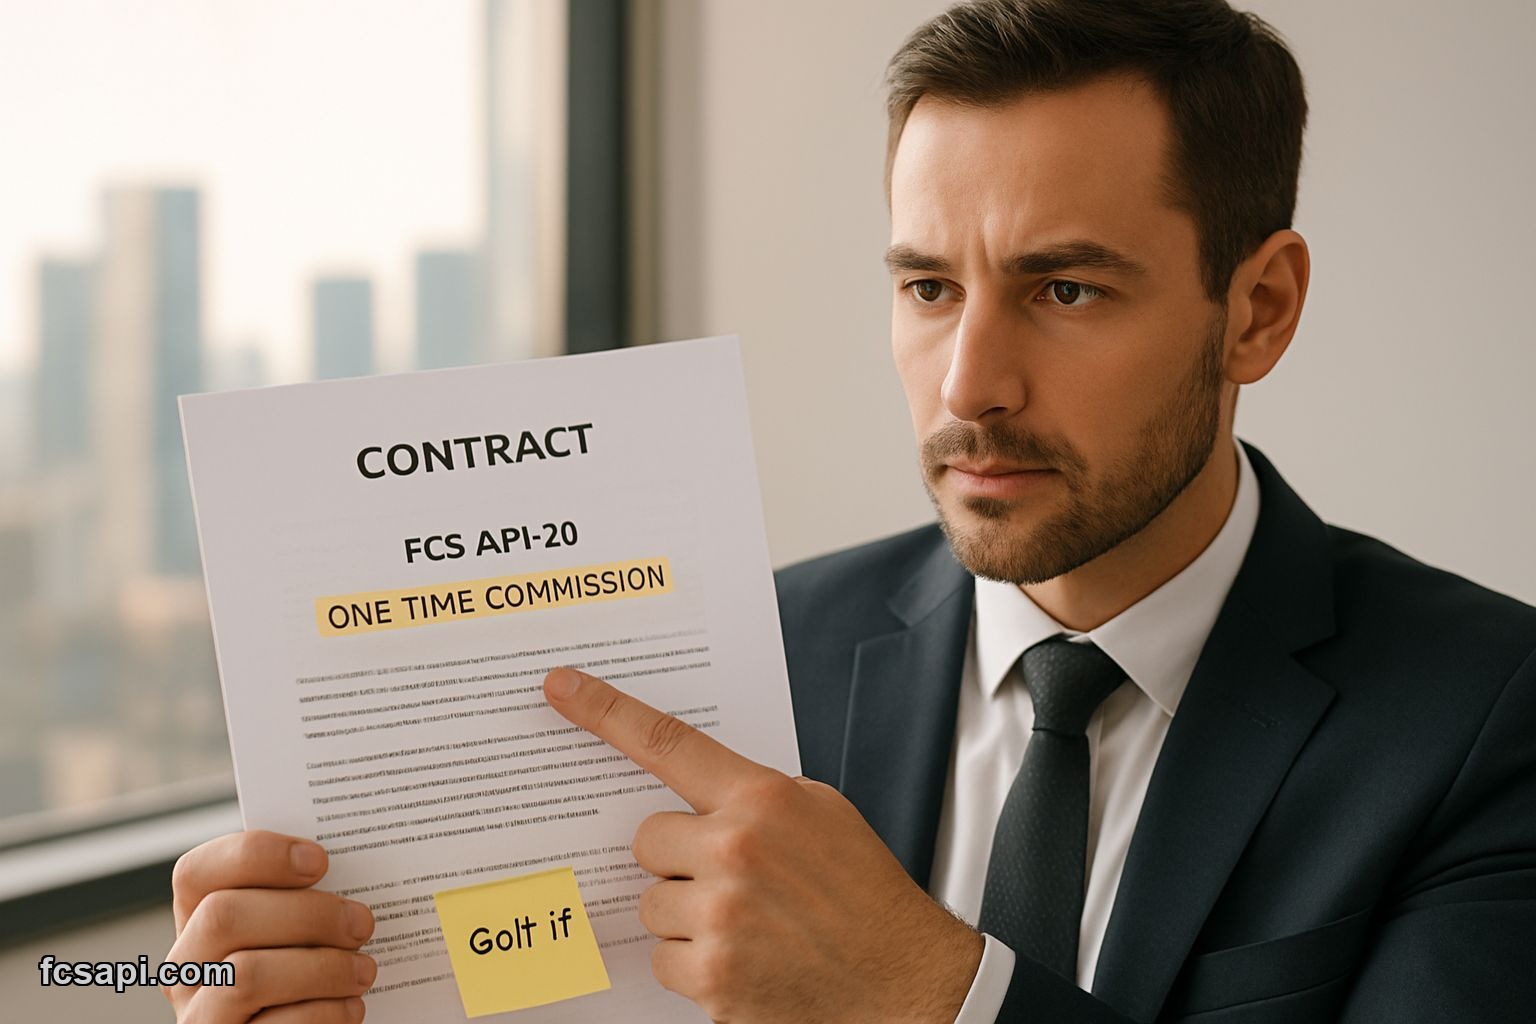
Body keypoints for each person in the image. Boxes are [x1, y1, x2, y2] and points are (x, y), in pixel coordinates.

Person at [162, 1, 1536, 1021]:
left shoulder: (1485, 718)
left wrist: (936, 993)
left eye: (1067, 290)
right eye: (929, 287)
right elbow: (540, 974)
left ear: (1259, 307)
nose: (970, 383)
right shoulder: (739, 665)